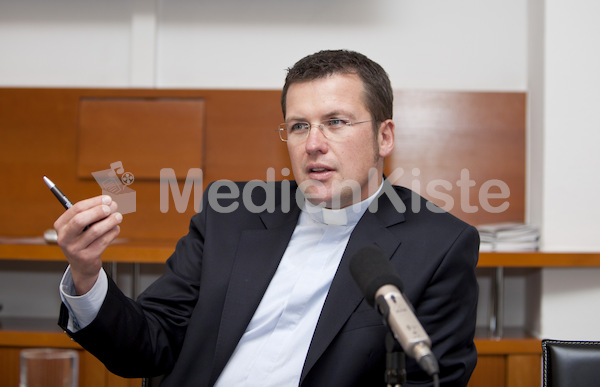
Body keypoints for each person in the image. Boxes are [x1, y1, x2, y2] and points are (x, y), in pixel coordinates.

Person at [54, 50, 479, 386]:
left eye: (335, 122)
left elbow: (431, 378)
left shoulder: (439, 247)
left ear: (384, 136)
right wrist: (87, 274)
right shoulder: (231, 216)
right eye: (298, 127)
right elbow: (149, 344)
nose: (314, 144)